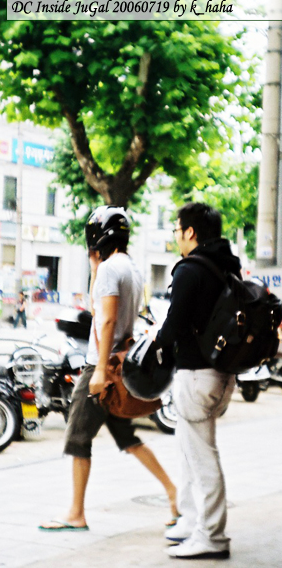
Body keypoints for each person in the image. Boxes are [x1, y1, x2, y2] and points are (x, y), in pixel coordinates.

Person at [39, 205, 177, 532]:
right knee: (127, 438)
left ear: (98, 236)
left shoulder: (110, 269)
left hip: (102, 367)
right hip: (120, 367)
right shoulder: (131, 268)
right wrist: (93, 268)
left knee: (77, 437)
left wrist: (99, 371)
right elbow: (100, 309)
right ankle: (174, 493)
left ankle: (76, 513)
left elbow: (107, 320)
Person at [156, 202, 238, 561]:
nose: (176, 236)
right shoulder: (225, 266)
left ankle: (212, 536)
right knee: (190, 452)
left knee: (203, 458)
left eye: (177, 229)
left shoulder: (190, 270)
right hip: (221, 373)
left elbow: (174, 326)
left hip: (196, 375)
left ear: (190, 232)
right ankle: (191, 522)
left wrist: (157, 341)